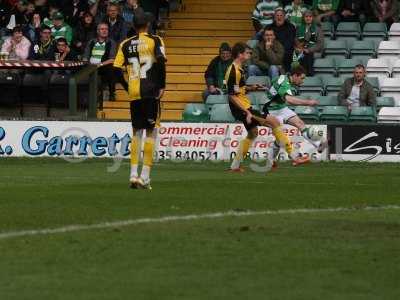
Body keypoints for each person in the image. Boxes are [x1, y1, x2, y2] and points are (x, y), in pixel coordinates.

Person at [226, 42, 311, 172]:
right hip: (242, 108)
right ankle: (294, 156)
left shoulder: (239, 68)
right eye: (247, 52)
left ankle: (235, 166)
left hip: (243, 106)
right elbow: (231, 96)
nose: (250, 54)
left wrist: (252, 88)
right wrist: (247, 113)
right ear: (240, 54)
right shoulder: (233, 70)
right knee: (275, 122)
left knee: (253, 133)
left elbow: (238, 89)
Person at [113, 8, 166, 190]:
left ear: (134, 26)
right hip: (150, 91)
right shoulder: (155, 40)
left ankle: (133, 175)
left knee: (136, 132)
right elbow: (160, 61)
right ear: (148, 24)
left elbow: (115, 69)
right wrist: (161, 86)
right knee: (151, 132)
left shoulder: (125, 44)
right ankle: (145, 176)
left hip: (134, 92)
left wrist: (127, 86)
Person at [262, 65, 327, 169]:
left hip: (282, 109)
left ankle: (318, 144)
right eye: (302, 78)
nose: (302, 81)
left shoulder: (284, 79)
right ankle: (273, 161)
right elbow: (289, 100)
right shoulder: (285, 83)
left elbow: (273, 87)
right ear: (295, 76)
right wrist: (308, 102)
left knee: (300, 123)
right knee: (280, 139)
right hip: (271, 112)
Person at [84, 22, 117, 100]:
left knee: (111, 68)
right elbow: (85, 56)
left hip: (104, 66)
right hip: (91, 66)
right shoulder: (92, 42)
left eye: (106, 29)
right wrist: (86, 63)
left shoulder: (111, 42)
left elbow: (112, 59)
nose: (105, 31)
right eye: (102, 29)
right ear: (97, 31)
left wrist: (100, 64)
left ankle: (112, 94)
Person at [267, 8, 296, 73]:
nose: (279, 17)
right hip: (272, 51)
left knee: (287, 54)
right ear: (274, 17)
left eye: (281, 15)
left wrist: (279, 51)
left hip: (286, 52)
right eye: (277, 15)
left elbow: (290, 42)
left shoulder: (290, 27)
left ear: (284, 17)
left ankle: (284, 75)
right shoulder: (269, 27)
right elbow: (264, 40)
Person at [295, 10, 324, 76]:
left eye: (310, 16)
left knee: (306, 54)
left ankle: (307, 74)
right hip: (301, 50)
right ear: (303, 18)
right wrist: (300, 48)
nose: (308, 18)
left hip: (314, 51)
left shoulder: (318, 29)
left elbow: (320, 44)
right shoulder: (299, 28)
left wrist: (309, 50)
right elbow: (296, 40)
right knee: (300, 54)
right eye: (306, 16)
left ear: (313, 18)